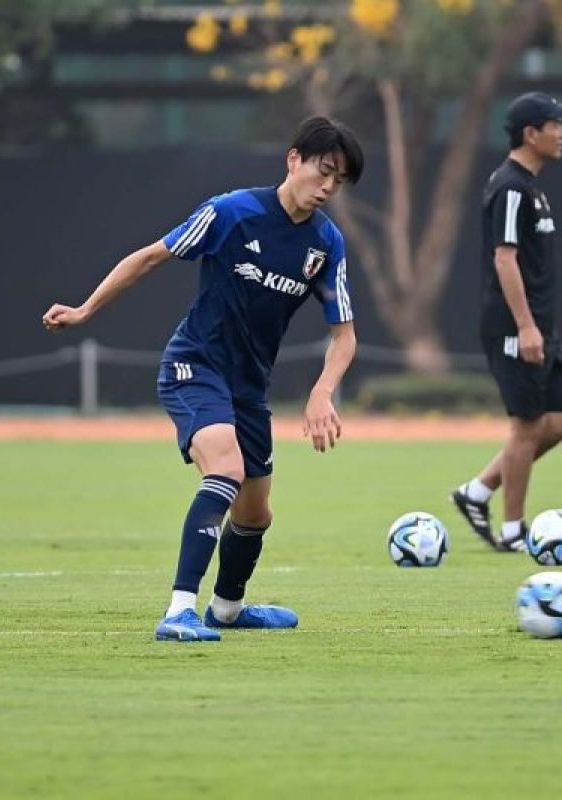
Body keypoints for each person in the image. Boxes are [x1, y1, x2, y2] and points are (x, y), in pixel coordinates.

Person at [42, 116, 363, 640]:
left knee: (256, 515)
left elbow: (344, 335)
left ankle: (229, 609)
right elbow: (149, 258)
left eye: (339, 181)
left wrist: (322, 393)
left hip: (248, 387)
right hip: (195, 365)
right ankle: (177, 612)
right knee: (226, 467)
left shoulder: (326, 245)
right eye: (323, 171)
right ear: (293, 160)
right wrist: (84, 310)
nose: (328, 187)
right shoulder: (229, 213)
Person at [450, 92, 562, 551]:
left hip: (539, 326)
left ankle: (477, 491)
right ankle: (513, 532)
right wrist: (524, 326)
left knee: (559, 422)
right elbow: (505, 260)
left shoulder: (532, 187)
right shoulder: (509, 187)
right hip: (513, 327)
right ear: (531, 133)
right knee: (526, 426)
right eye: (556, 124)